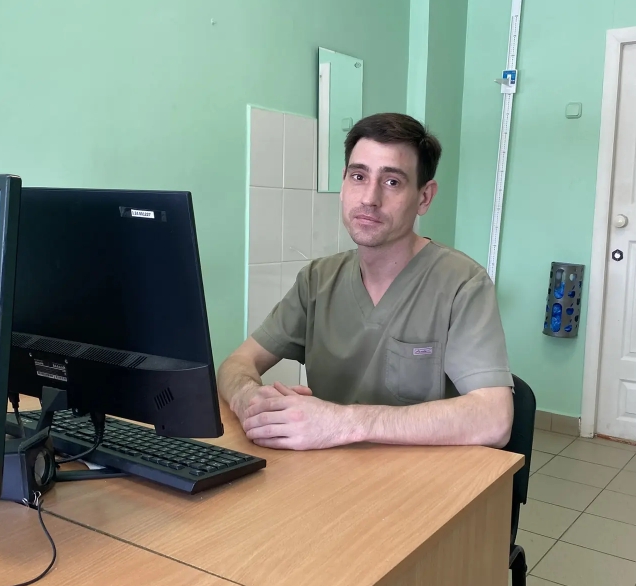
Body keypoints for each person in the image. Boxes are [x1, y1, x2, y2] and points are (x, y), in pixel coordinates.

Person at [217, 112, 513, 450]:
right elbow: (236, 364)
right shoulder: (317, 281)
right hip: (330, 471)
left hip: (421, 476)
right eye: (359, 176)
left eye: (392, 182)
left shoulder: (462, 284)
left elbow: (495, 419)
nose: (370, 198)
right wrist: (247, 398)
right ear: (343, 184)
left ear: (424, 197)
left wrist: (342, 422)